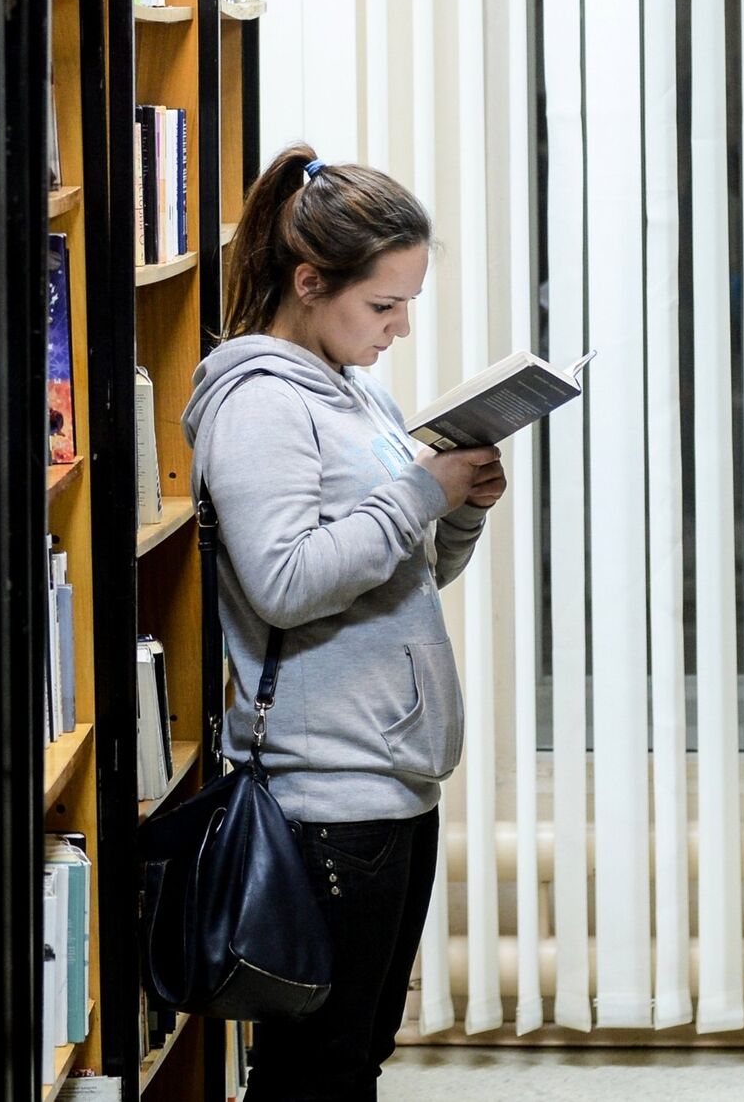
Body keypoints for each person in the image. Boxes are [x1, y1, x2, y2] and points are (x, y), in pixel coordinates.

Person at [181, 143, 504, 1101]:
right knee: (316, 1070)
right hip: (329, 799)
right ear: (309, 281)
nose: (402, 327)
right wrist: (417, 491)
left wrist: (462, 506)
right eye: (383, 305)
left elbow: (403, 576)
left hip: (390, 782)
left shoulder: (356, 391)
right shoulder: (261, 405)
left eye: (408, 302)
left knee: (353, 1055)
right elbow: (284, 582)